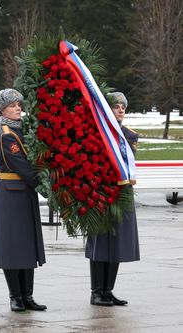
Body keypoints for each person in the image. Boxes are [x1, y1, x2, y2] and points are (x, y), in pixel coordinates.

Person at [0, 88, 47, 312]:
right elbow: (22, 166)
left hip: (24, 192)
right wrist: (45, 187)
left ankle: (27, 296)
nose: (18, 108)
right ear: (2, 110)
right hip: (11, 193)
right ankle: (16, 296)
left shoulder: (22, 131)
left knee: (26, 246)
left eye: (19, 105)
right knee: (13, 247)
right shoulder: (7, 135)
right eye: (13, 106)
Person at [86, 92, 140, 306]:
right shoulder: (97, 132)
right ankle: (96, 291)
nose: (120, 110)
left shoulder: (129, 134)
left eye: (123, 107)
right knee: (100, 242)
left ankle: (108, 290)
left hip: (122, 192)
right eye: (116, 106)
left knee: (117, 242)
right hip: (100, 192)